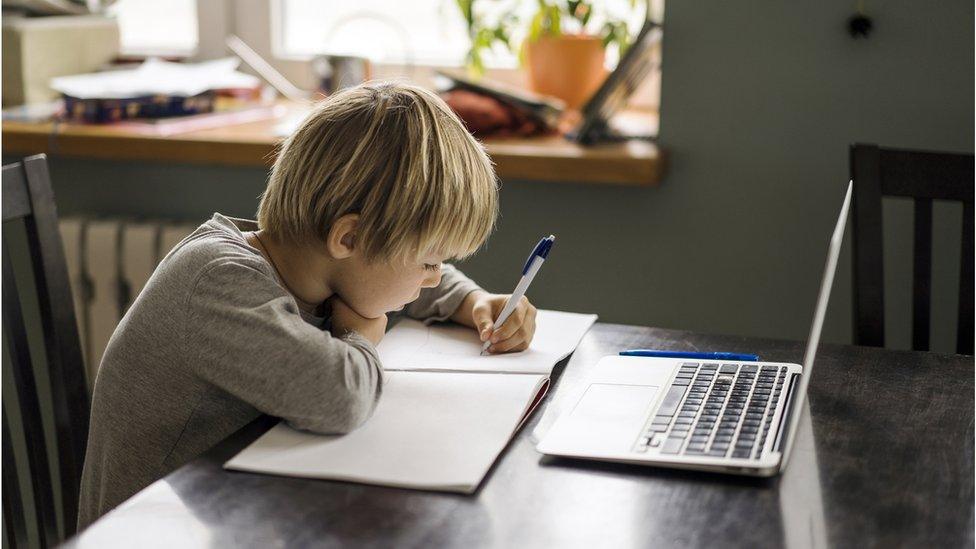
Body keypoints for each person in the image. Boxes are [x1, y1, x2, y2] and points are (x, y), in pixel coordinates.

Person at [77, 82, 538, 528]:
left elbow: (395, 272)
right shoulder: (217, 281)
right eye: (430, 261)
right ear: (349, 238)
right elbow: (337, 398)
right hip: (147, 530)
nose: (434, 277)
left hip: (230, 510)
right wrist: (361, 337)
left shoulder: (310, 261)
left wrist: (473, 300)